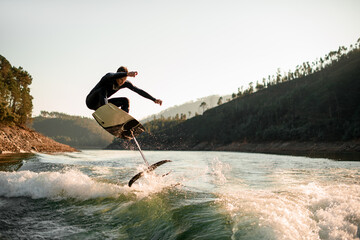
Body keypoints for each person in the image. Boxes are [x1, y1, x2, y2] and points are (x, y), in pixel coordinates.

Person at [86, 66, 162, 112]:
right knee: (103, 89)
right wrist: (127, 74)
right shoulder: (109, 77)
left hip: (102, 105)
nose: (122, 82)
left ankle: (122, 121)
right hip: (91, 102)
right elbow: (112, 75)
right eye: (120, 79)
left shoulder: (125, 83)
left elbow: (139, 91)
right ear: (117, 76)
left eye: (124, 80)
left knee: (125, 101)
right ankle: (107, 112)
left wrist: (154, 99)